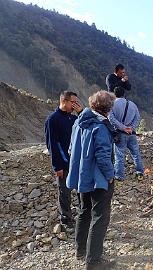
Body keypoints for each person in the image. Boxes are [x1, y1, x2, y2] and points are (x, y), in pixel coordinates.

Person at [66, 91, 116, 270]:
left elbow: (71, 148)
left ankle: (80, 251)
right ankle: (93, 261)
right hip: (98, 180)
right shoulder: (100, 126)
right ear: (107, 108)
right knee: (100, 217)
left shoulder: (79, 122)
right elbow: (103, 157)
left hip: (82, 177)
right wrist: (110, 175)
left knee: (84, 211)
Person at [44, 91, 83, 229]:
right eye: (73, 102)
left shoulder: (73, 119)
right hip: (64, 163)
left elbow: (86, 127)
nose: (75, 105)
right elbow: (52, 145)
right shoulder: (52, 119)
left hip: (77, 162)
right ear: (64, 101)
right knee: (64, 192)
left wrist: (81, 112)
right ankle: (66, 219)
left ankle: (83, 215)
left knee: (81, 190)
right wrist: (57, 166)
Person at [109, 86, 144, 181]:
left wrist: (123, 128)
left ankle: (119, 176)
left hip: (120, 133)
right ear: (124, 94)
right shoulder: (132, 104)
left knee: (119, 155)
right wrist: (131, 128)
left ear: (114, 94)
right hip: (131, 134)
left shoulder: (112, 104)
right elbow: (137, 118)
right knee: (136, 154)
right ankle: (140, 173)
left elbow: (111, 119)